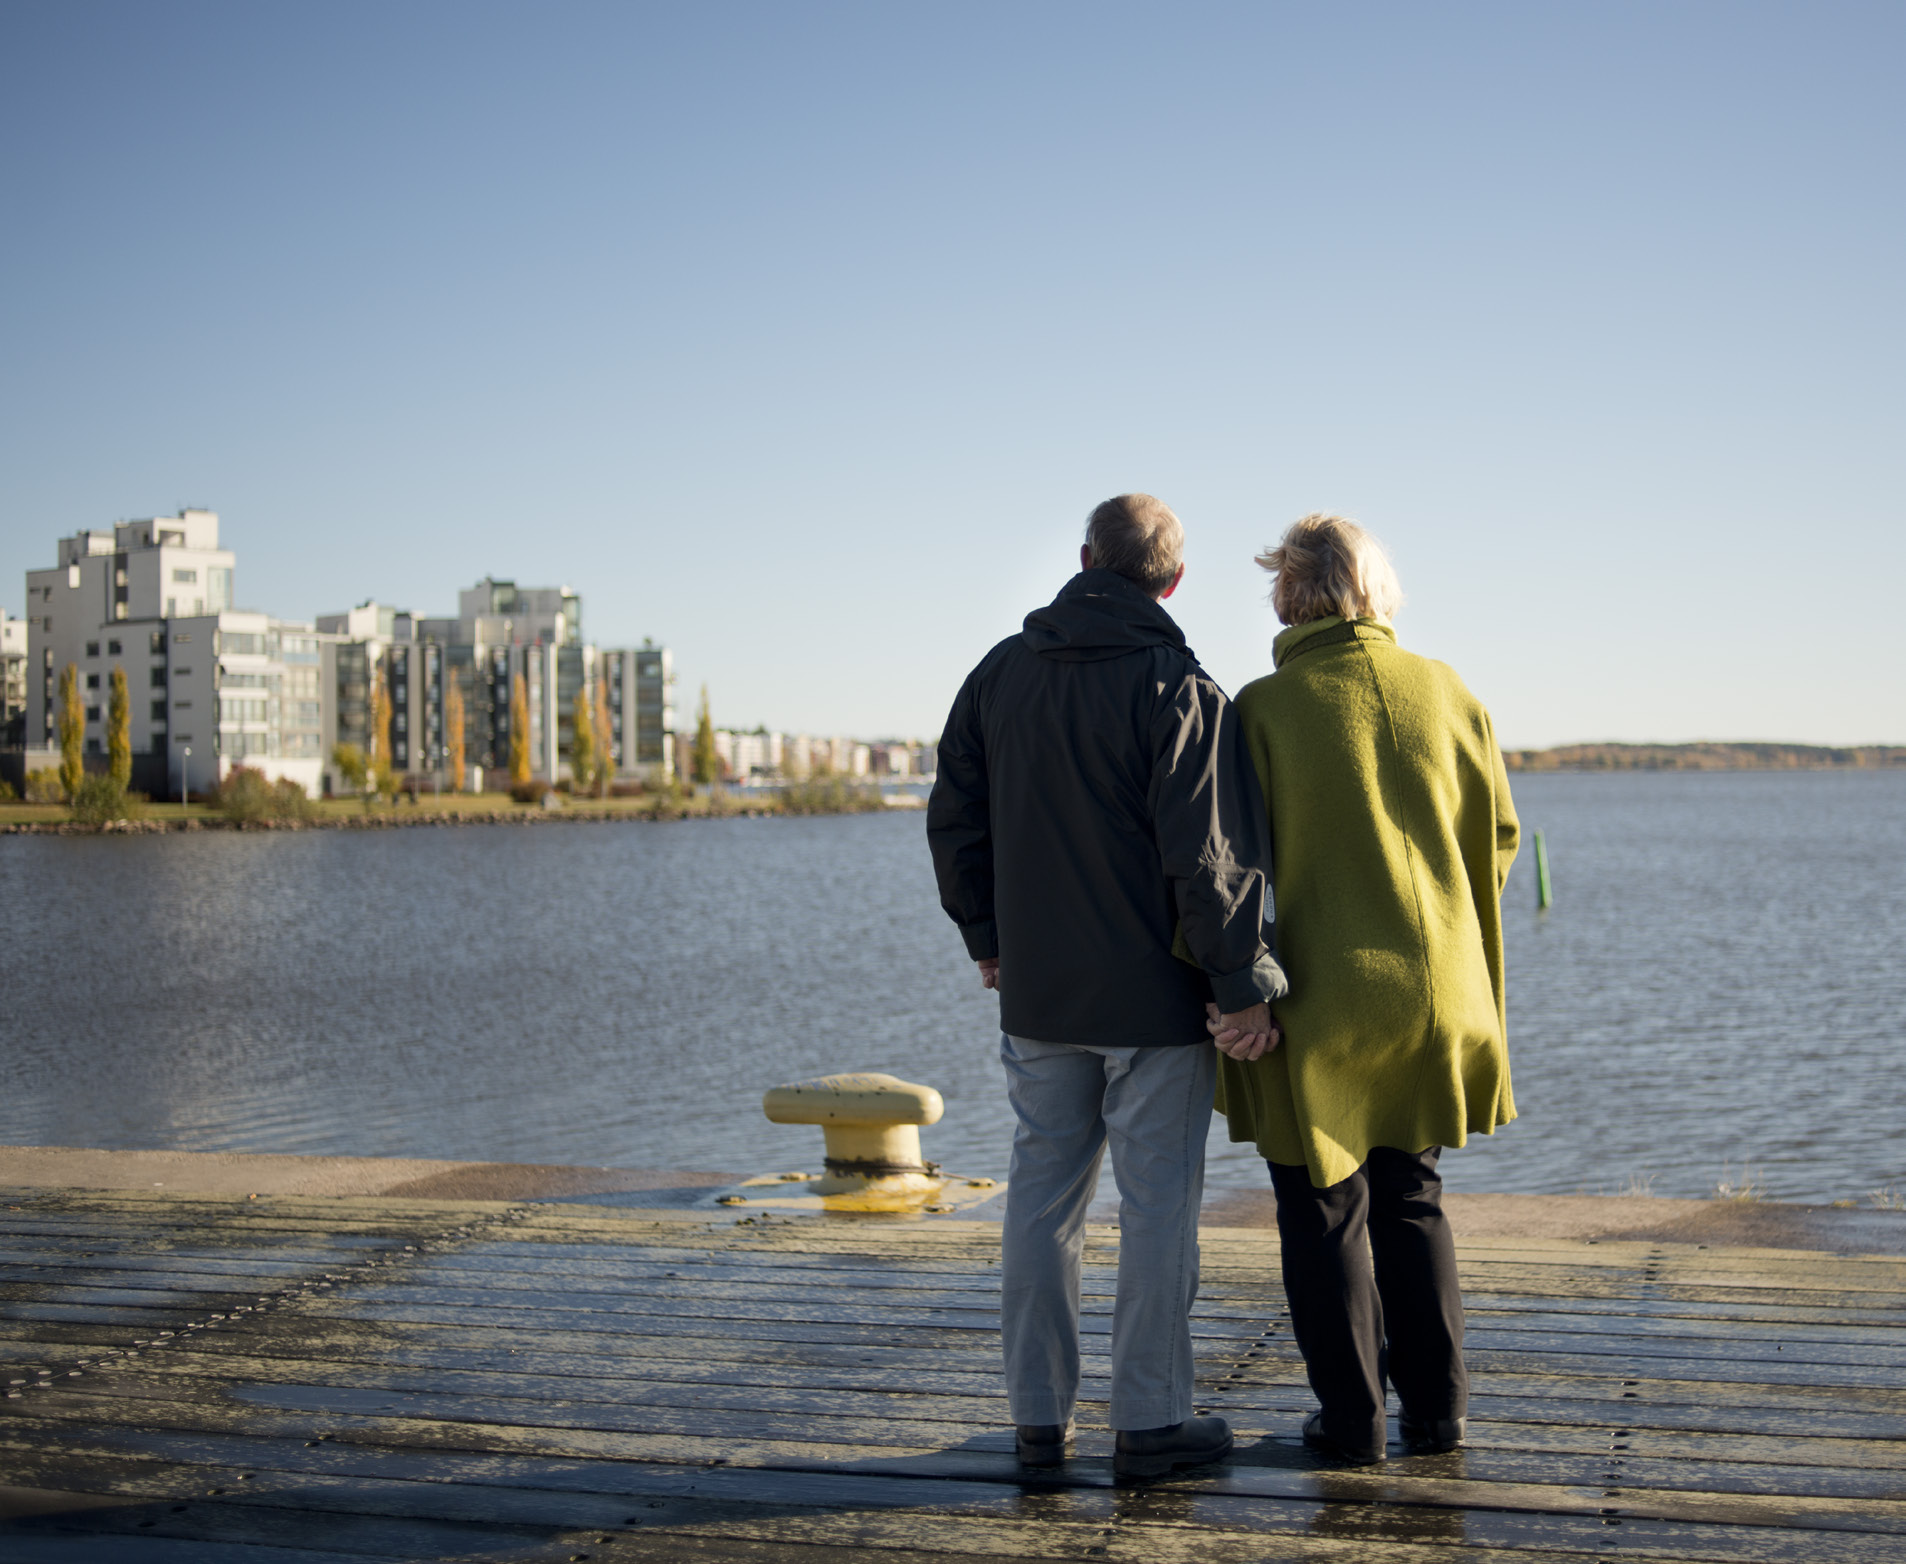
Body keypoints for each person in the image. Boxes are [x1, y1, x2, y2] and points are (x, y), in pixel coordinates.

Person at [928, 493, 1288, 1481]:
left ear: (1086, 558)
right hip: (1155, 1008)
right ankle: (1151, 1422)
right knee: (1157, 1204)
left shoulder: (1000, 673)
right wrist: (1241, 983)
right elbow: (1207, 859)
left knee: (1040, 1198)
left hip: (1039, 996)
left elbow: (953, 813)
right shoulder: (1177, 685)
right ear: (1171, 579)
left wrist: (986, 937)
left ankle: (1038, 1423)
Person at [1214, 513, 1519, 1465]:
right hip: (1437, 993)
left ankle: (1353, 1425)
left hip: (1317, 1001)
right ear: (1376, 591)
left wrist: (1233, 985)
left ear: (1288, 595)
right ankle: (1439, 1413)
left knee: (1320, 1204)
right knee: (1413, 1194)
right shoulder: (1449, 691)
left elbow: (1223, 865)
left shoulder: (1258, 711)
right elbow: (1499, 838)